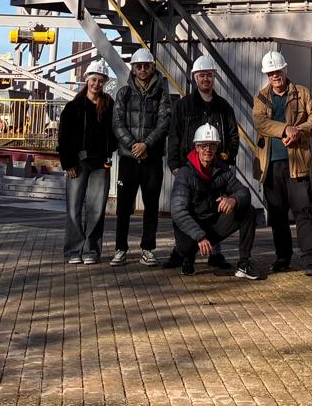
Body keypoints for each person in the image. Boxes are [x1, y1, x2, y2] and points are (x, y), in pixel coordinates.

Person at [166, 54, 240, 269]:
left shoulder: (223, 107)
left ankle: (215, 254)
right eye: (201, 75)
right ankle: (183, 252)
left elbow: (233, 136)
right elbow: (174, 135)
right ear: (195, 78)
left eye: (209, 75)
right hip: (189, 169)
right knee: (186, 208)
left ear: (213, 77)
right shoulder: (183, 106)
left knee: (216, 209)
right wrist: (174, 165)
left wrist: (226, 159)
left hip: (215, 169)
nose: (206, 79)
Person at [251, 50, 312, 276]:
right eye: (271, 73)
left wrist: (297, 131)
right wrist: (284, 129)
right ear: (267, 75)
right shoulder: (261, 97)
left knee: (303, 212)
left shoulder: (302, 93)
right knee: (277, 214)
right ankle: (283, 258)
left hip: (297, 163)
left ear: (285, 69)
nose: (275, 75)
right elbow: (260, 122)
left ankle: (310, 260)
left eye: (278, 71)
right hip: (270, 165)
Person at [170, 122, 261, 279]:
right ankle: (187, 259)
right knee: (185, 247)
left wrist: (233, 199)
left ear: (217, 147)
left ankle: (244, 264)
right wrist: (200, 236)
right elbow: (178, 211)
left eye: (212, 145)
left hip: (212, 226)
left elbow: (244, 192)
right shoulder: (185, 174)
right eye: (203, 145)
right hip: (192, 230)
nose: (208, 150)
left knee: (248, 210)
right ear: (196, 147)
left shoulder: (222, 170)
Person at [111, 47, 171, 266]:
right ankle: (120, 248)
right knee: (124, 207)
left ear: (152, 68)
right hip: (129, 159)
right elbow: (117, 123)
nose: (143, 69)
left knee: (151, 206)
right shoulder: (123, 94)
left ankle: (148, 249)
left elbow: (164, 122)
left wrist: (146, 144)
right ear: (134, 69)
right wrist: (133, 145)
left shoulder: (161, 93)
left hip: (151, 159)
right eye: (139, 66)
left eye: (146, 66)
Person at [57, 59, 114, 265]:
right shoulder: (73, 107)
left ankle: (91, 250)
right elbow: (64, 137)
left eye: (100, 81)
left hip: (100, 164)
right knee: (74, 208)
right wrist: (68, 163)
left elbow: (114, 132)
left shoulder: (109, 106)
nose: (96, 84)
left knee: (96, 209)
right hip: (78, 164)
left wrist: (110, 151)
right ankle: (73, 250)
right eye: (93, 80)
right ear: (87, 80)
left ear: (104, 83)